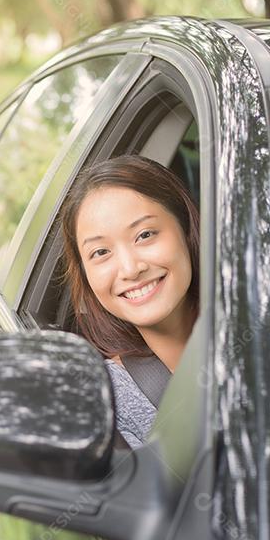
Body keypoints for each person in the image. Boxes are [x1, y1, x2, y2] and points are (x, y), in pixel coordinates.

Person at [59, 155, 201, 448]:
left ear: (186, 230)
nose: (130, 268)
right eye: (100, 252)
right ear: (86, 276)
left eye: (145, 235)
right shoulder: (106, 406)